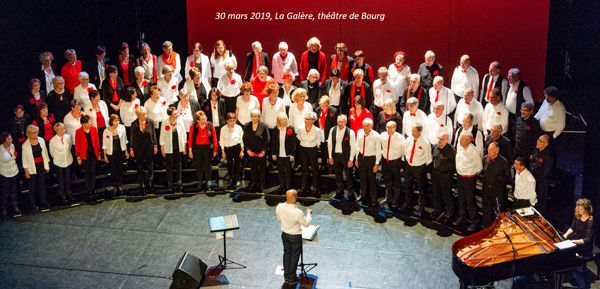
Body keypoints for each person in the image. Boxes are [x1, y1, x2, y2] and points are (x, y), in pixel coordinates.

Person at [275, 189, 312, 285]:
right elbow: (306, 224)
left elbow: (279, 218)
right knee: (294, 257)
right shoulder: (298, 212)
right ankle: (291, 278)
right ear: (295, 198)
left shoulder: (279, 207)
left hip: (285, 235)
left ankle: (286, 277)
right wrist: (308, 214)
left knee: (287, 255)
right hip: (295, 237)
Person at [454, 132, 483, 231]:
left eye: (462, 139)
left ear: (468, 141)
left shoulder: (474, 152)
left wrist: (470, 174)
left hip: (469, 179)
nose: (459, 141)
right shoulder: (459, 146)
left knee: (470, 201)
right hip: (460, 177)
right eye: (460, 139)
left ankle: (475, 221)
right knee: (461, 199)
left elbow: (479, 167)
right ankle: (462, 217)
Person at [563, 198, 594, 289]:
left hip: (585, 247)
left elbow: (587, 240)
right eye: (578, 208)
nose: (579, 211)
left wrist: (573, 241)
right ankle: (570, 273)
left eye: (581, 209)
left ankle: (580, 282)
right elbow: (572, 228)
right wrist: (566, 234)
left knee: (569, 255)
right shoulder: (578, 217)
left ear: (587, 209)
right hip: (577, 242)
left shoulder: (590, 222)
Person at [402, 124, 432, 215]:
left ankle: (421, 206)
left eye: (414, 131)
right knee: (408, 185)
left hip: (420, 167)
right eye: (412, 131)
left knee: (422, 188)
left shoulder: (425, 143)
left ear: (420, 131)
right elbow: (405, 151)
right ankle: (408, 202)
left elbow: (428, 158)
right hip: (409, 166)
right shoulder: (408, 140)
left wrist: (422, 167)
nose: (412, 133)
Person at [481, 142, 511, 227]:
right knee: (486, 208)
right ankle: (486, 226)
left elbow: (507, 178)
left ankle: (497, 227)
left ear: (497, 151)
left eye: (491, 149)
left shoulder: (504, 162)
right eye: (488, 149)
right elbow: (483, 172)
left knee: (497, 210)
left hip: (498, 190)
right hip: (486, 189)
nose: (489, 151)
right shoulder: (485, 158)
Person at [188, 111, 218, 191]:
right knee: (199, 166)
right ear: (198, 120)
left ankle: (208, 182)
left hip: (207, 148)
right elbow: (190, 140)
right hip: (197, 148)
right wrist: (190, 151)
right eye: (202, 119)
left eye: (205, 118)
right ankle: (200, 182)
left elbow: (214, 138)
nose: (204, 120)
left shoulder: (210, 125)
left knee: (208, 166)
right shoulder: (193, 127)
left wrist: (215, 150)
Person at [328, 115, 356, 200]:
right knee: (338, 176)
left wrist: (351, 159)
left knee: (349, 176)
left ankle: (351, 194)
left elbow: (353, 147)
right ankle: (339, 192)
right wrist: (330, 156)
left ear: (346, 122)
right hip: (336, 156)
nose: (340, 123)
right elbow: (329, 143)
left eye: (342, 121)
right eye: (339, 121)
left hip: (346, 157)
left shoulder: (350, 132)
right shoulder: (332, 130)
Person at [130, 106, 157, 195]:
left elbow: (153, 134)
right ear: (138, 115)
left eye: (145, 114)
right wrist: (131, 148)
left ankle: (150, 183)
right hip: (138, 148)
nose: (144, 116)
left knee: (150, 166)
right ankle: (142, 185)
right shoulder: (134, 124)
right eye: (142, 114)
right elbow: (132, 137)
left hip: (149, 147)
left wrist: (155, 145)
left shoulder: (150, 122)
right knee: (140, 166)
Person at [22, 125, 50, 210]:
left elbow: (45, 153)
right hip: (31, 167)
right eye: (34, 133)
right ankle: (33, 203)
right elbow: (24, 160)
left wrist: (47, 166)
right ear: (29, 133)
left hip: (41, 165)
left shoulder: (41, 140)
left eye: (37, 132)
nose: (36, 134)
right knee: (32, 186)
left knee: (42, 184)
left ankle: (43, 200)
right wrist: (26, 171)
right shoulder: (25, 145)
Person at [243, 109, 270, 192]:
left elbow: (267, 139)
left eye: (255, 116)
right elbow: (245, 138)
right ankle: (253, 183)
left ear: (259, 117)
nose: (254, 118)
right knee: (253, 168)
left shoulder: (264, 125)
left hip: (261, 151)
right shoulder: (247, 125)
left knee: (262, 168)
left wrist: (263, 151)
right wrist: (247, 150)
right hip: (251, 152)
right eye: (252, 116)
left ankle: (262, 184)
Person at [160, 107, 186, 193]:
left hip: (178, 146)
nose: (177, 115)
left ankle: (179, 181)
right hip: (169, 147)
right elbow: (162, 136)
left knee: (179, 164)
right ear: (170, 115)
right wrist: (162, 148)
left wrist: (185, 146)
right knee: (169, 166)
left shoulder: (180, 121)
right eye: (175, 114)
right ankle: (170, 183)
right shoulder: (165, 123)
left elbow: (184, 134)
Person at [75, 115, 100, 203]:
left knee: (93, 171)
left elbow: (97, 141)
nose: (90, 123)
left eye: (90, 122)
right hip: (84, 155)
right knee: (87, 172)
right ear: (83, 124)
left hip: (93, 153)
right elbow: (77, 144)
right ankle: (88, 190)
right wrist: (78, 156)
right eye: (88, 122)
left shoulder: (93, 129)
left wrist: (98, 153)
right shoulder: (78, 132)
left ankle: (93, 189)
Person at [102, 114, 128, 198]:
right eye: (115, 121)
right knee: (113, 170)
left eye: (118, 120)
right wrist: (105, 155)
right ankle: (114, 186)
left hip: (120, 152)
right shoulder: (106, 131)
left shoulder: (122, 128)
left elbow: (125, 140)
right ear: (111, 121)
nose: (117, 122)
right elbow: (105, 145)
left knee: (120, 169)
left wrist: (126, 151)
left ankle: (120, 185)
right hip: (111, 153)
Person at [379, 121, 404, 208]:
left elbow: (403, 151)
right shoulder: (382, 135)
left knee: (396, 182)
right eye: (387, 127)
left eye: (390, 127)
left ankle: (396, 200)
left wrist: (402, 165)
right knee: (387, 181)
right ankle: (388, 198)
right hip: (385, 160)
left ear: (395, 128)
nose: (388, 129)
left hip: (395, 162)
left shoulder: (400, 138)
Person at [431, 132, 456, 221]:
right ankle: (437, 209)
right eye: (439, 138)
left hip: (446, 175)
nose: (440, 141)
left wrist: (449, 175)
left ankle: (449, 212)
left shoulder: (451, 150)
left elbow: (454, 165)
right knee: (436, 193)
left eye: (442, 139)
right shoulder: (435, 147)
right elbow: (433, 159)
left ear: (447, 139)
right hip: (435, 174)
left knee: (446, 194)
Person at [296, 112, 322, 196]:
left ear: (313, 121)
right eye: (305, 119)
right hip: (303, 149)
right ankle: (303, 186)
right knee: (304, 169)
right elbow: (299, 138)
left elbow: (318, 141)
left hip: (312, 150)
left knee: (314, 169)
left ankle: (315, 187)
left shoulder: (317, 130)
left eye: (308, 119)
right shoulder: (300, 129)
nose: (305, 121)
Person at [271, 113, 296, 194]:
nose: (283, 121)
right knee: (280, 170)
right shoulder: (276, 128)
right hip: (279, 153)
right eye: (281, 120)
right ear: (279, 121)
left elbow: (293, 143)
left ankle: (288, 186)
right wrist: (273, 153)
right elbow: (274, 142)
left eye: (285, 119)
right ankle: (282, 185)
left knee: (288, 170)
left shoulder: (290, 128)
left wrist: (292, 154)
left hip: (288, 154)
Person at [49, 123, 73, 204]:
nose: (64, 131)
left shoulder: (68, 137)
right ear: (57, 131)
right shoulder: (53, 141)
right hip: (59, 162)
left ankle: (69, 193)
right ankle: (62, 195)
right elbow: (52, 153)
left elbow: (69, 147)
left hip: (68, 160)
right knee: (61, 180)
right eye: (61, 129)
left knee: (68, 178)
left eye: (64, 129)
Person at [220, 113, 244, 190]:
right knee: (229, 164)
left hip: (236, 147)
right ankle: (231, 179)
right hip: (228, 148)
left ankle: (237, 179)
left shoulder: (239, 128)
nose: (232, 122)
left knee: (237, 164)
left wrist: (242, 150)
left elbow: (242, 140)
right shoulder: (223, 129)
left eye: (234, 120)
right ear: (227, 120)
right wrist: (223, 151)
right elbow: (222, 140)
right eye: (230, 121)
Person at [506, 68, 534, 136]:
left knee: (517, 135)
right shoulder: (509, 86)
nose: (509, 78)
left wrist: (525, 116)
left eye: (511, 77)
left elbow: (531, 104)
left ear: (517, 77)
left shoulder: (524, 88)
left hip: (518, 117)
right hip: (509, 116)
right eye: (508, 76)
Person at [529, 135, 553, 215]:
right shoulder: (536, 150)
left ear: (546, 144)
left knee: (540, 204)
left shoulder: (548, 156)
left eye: (540, 141)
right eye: (538, 139)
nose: (538, 142)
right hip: (533, 181)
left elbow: (544, 172)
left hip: (541, 183)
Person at [314, 96, 338, 172]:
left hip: (329, 133)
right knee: (323, 149)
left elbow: (335, 125)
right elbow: (315, 123)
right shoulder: (317, 110)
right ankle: (323, 165)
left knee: (330, 150)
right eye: (321, 106)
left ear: (328, 104)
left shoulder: (333, 111)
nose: (323, 108)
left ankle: (331, 166)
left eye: (324, 106)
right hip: (320, 132)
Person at [0, 132, 21, 216]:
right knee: (5, 192)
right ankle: (4, 208)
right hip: (5, 173)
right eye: (9, 139)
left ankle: (15, 206)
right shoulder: (0, 150)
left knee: (14, 191)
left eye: (11, 138)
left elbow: (14, 156)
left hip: (14, 171)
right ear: (4, 141)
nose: (11, 140)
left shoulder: (12, 146)